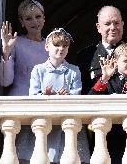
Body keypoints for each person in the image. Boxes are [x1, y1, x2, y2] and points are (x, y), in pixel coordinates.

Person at [0, 0, 48, 164]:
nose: (35, 21)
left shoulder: (53, 44)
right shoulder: (16, 43)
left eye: (38, 16)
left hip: (46, 108)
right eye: (29, 18)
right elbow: (5, 81)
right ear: (22, 22)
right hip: (21, 107)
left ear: (44, 18)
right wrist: (6, 52)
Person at [29, 28, 90, 164]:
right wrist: (45, 95)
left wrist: (68, 95)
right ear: (47, 46)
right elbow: (33, 96)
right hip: (47, 123)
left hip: (68, 123)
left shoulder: (74, 70)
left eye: (65, 46)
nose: (61, 49)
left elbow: (77, 94)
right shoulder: (39, 70)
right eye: (56, 45)